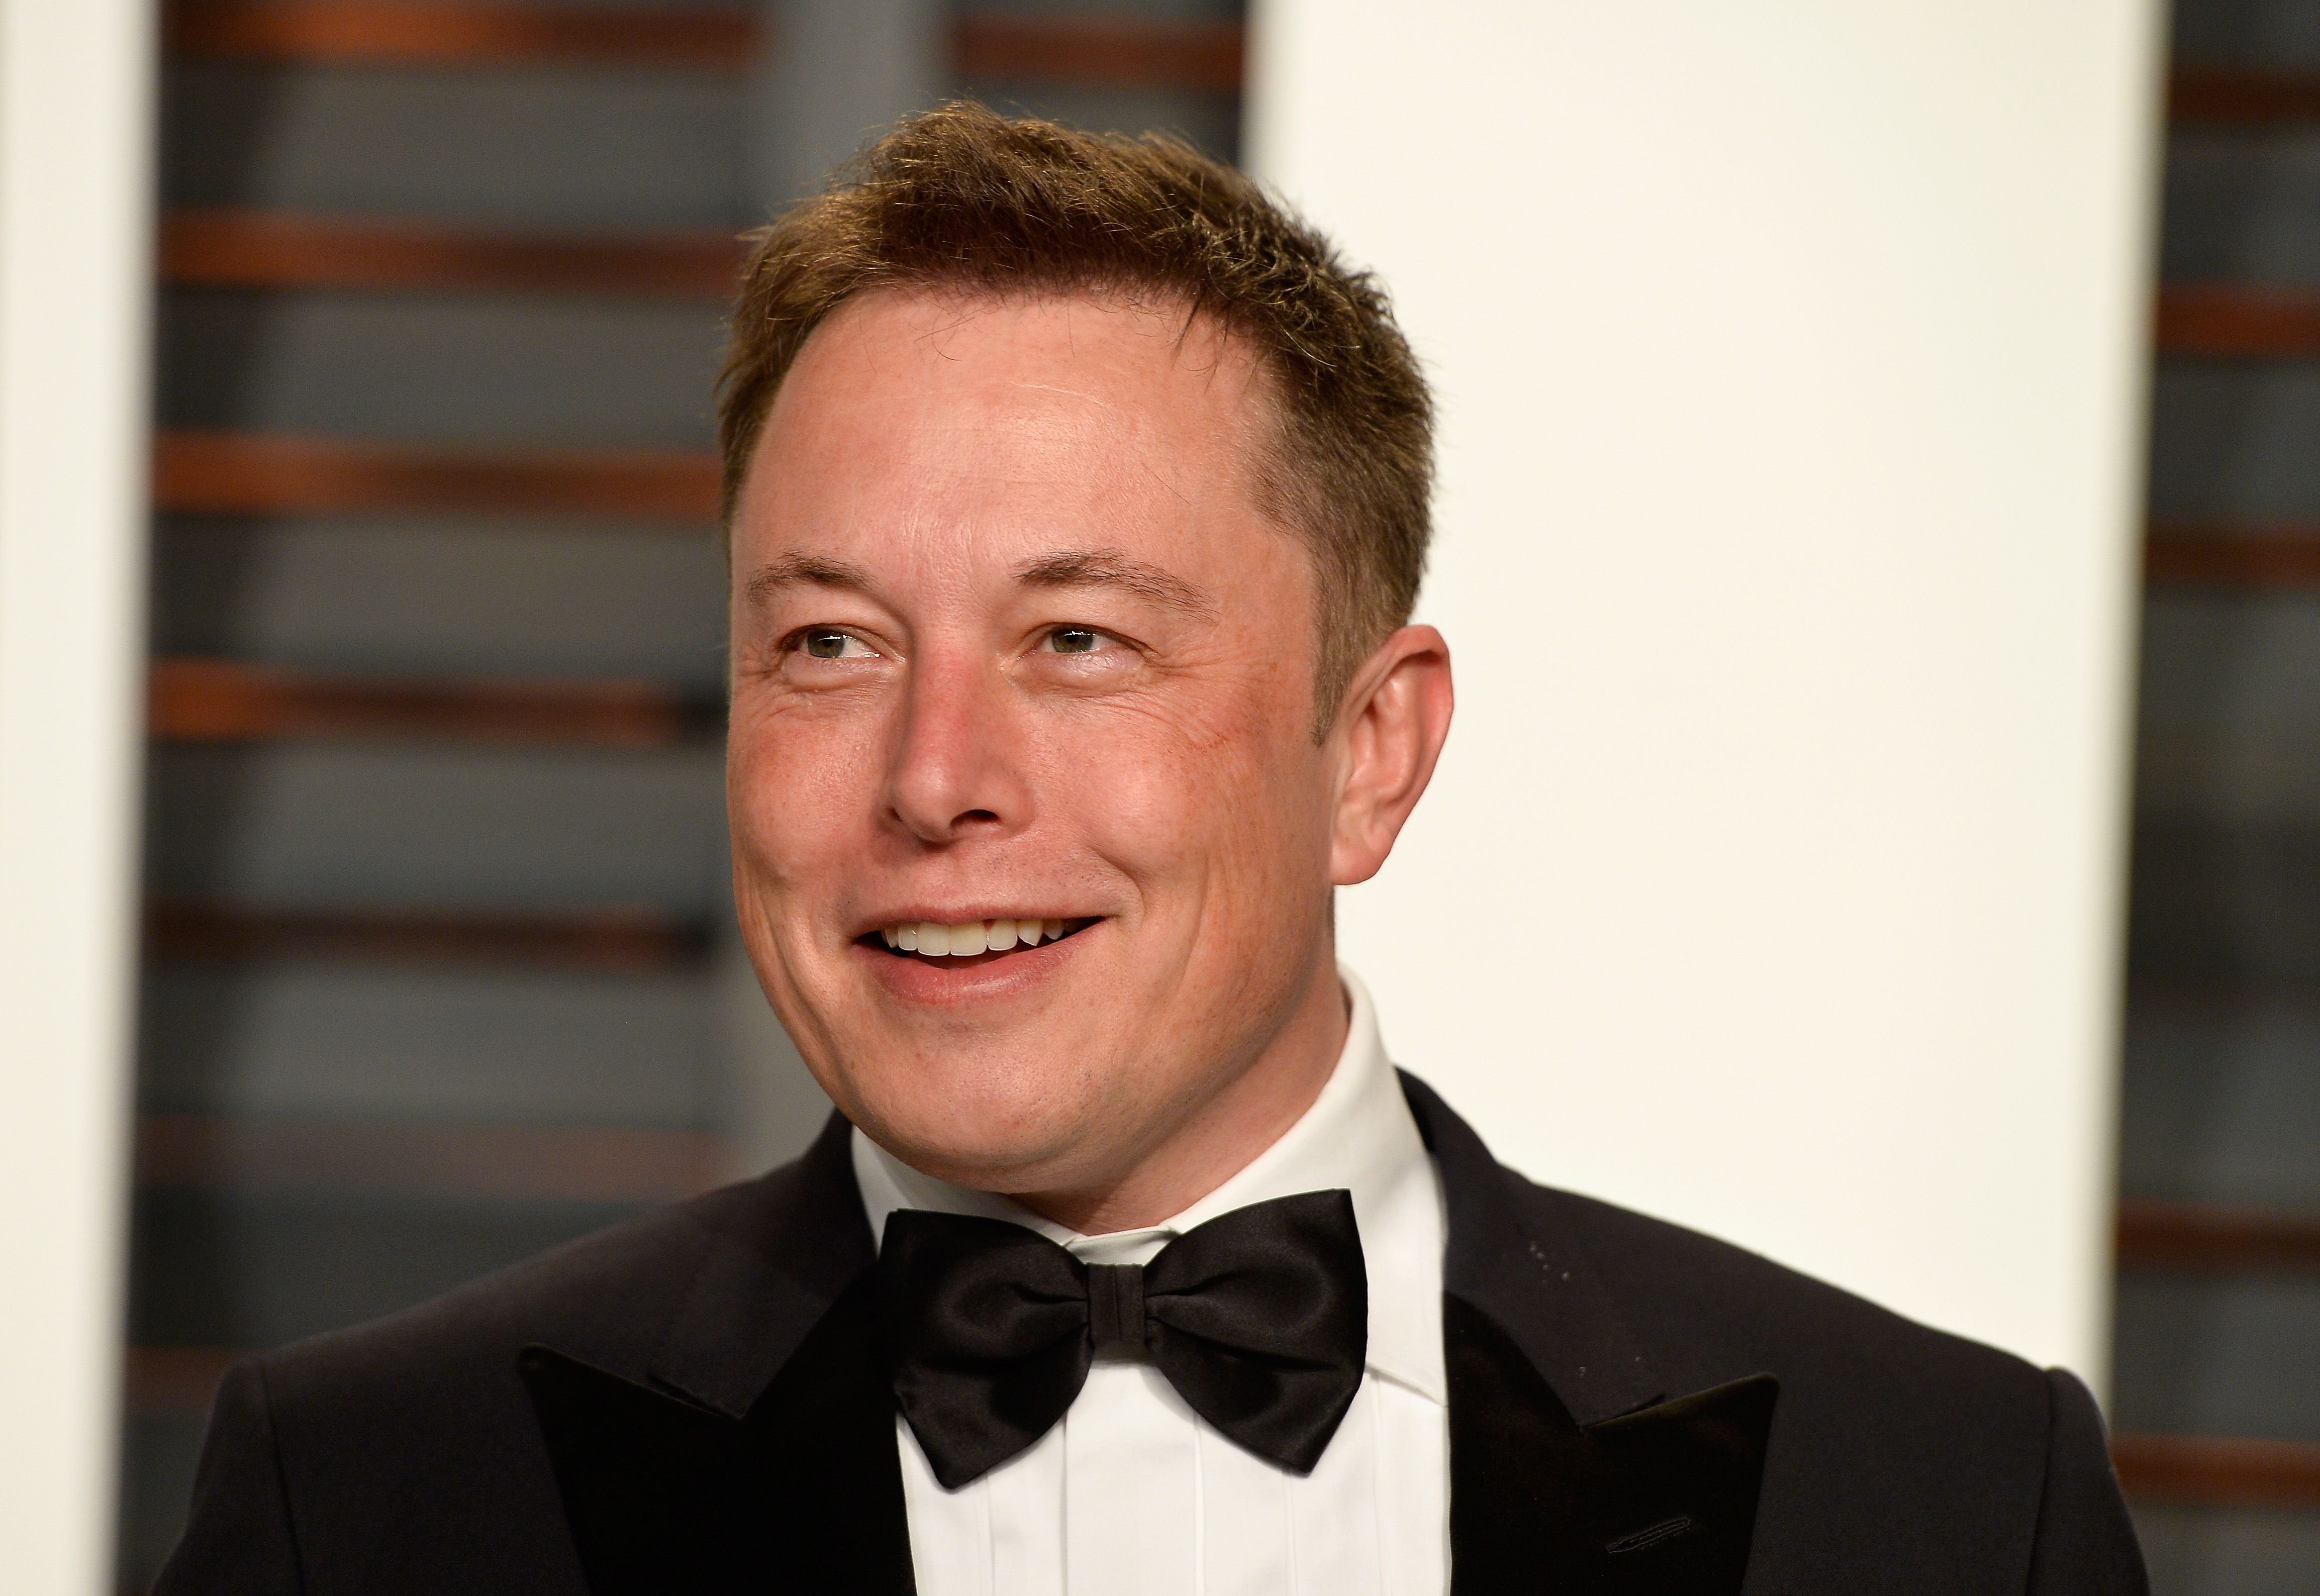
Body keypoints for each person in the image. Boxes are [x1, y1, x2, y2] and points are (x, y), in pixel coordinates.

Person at [156, 103, 2147, 1595]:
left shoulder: (1943, 1507)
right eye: (831, 642)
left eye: (1077, 639)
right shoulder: (373, 1503)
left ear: (1369, 750)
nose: (933, 775)